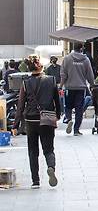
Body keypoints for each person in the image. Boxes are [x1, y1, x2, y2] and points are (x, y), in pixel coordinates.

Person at [11, 55, 60, 188]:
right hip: (47, 118)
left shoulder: (25, 83)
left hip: (31, 120)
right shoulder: (52, 80)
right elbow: (57, 100)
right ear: (42, 67)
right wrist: (58, 115)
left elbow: (20, 105)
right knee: (49, 149)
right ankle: (51, 167)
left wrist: (15, 126)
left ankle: (35, 181)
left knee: (33, 151)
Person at [61, 42, 95, 136]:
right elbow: (90, 74)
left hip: (69, 87)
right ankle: (76, 130)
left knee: (68, 106)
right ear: (81, 48)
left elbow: (63, 74)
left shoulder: (67, 58)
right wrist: (92, 84)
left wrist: (61, 85)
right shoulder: (86, 60)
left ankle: (68, 119)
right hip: (81, 88)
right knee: (79, 109)